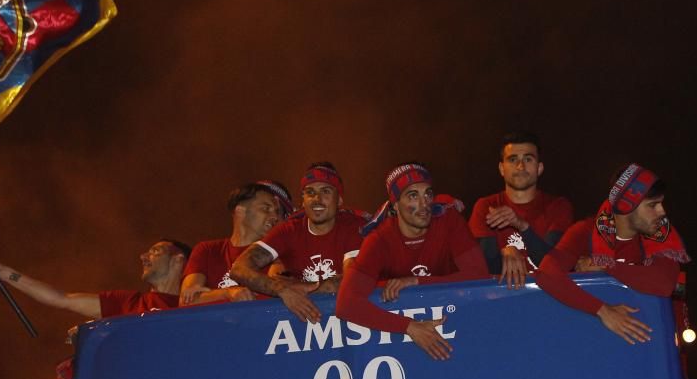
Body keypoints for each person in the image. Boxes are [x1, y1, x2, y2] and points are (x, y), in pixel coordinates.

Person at [336, 162, 490, 360]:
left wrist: (416, 281)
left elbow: (480, 276)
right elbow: (346, 304)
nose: (424, 203)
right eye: (412, 195)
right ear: (395, 205)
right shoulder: (379, 239)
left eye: (428, 194)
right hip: (398, 340)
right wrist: (409, 326)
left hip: (456, 325)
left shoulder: (448, 220)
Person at [534, 163, 690, 344]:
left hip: (650, 347)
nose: (662, 212)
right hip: (593, 346)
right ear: (626, 206)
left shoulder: (662, 236)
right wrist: (602, 310)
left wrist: (606, 266)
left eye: (661, 204)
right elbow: (546, 274)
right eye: (653, 205)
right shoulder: (585, 232)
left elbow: (664, 284)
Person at [230, 162, 368, 323]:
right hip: (303, 321)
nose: (317, 199)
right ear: (303, 201)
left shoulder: (354, 226)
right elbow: (238, 269)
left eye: (326, 191)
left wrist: (295, 288)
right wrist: (281, 289)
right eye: (310, 192)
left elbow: (352, 280)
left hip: (348, 317)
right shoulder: (289, 230)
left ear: (339, 200)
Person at [0, 240, 191, 319]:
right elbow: (61, 299)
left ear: (178, 260)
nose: (143, 256)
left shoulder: (201, 303)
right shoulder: (128, 304)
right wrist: (5, 273)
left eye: (155, 251)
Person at [469, 132, 573, 289]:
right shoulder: (485, 206)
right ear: (501, 168)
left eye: (528, 159)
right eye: (513, 159)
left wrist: (522, 226)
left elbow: (555, 264)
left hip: (547, 299)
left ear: (539, 168)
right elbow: (482, 268)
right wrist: (506, 251)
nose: (520, 166)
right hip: (498, 300)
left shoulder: (558, 206)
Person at [179, 180, 293, 305]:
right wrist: (228, 292)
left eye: (277, 212)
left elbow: (278, 298)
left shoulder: (276, 254)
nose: (275, 217)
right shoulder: (207, 250)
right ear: (240, 211)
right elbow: (186, 301)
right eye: (266, 208)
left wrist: (211, 295)